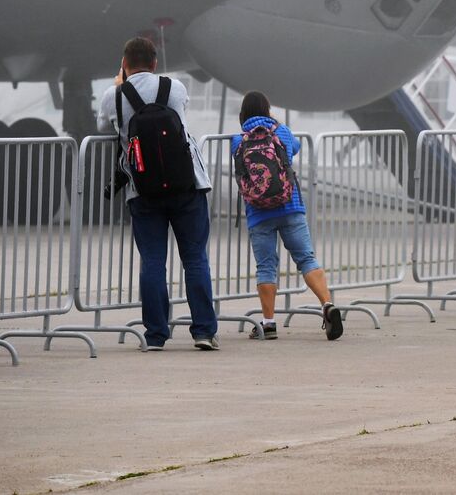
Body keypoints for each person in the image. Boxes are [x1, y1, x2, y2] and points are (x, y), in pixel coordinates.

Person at [96, 37, 217, 351]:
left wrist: (119, 87)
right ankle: (203, 331)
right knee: (195, 259)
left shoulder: (113, 96)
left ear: (124, 63)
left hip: (143, 190)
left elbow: (102, 128)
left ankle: (156, 336)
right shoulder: (174, 88)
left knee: (152, 261)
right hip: (188, 185)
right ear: (154, 63)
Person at [229, 91, 343, 341]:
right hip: (290, 206)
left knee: (266, 266)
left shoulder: (238, 140)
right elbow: (296, 148)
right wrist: (276, 124)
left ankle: (268, 323)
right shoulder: (281, 132)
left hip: (259, 213)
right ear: (268, 110)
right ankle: (326, 304)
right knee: (306, 258)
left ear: (242, 115)